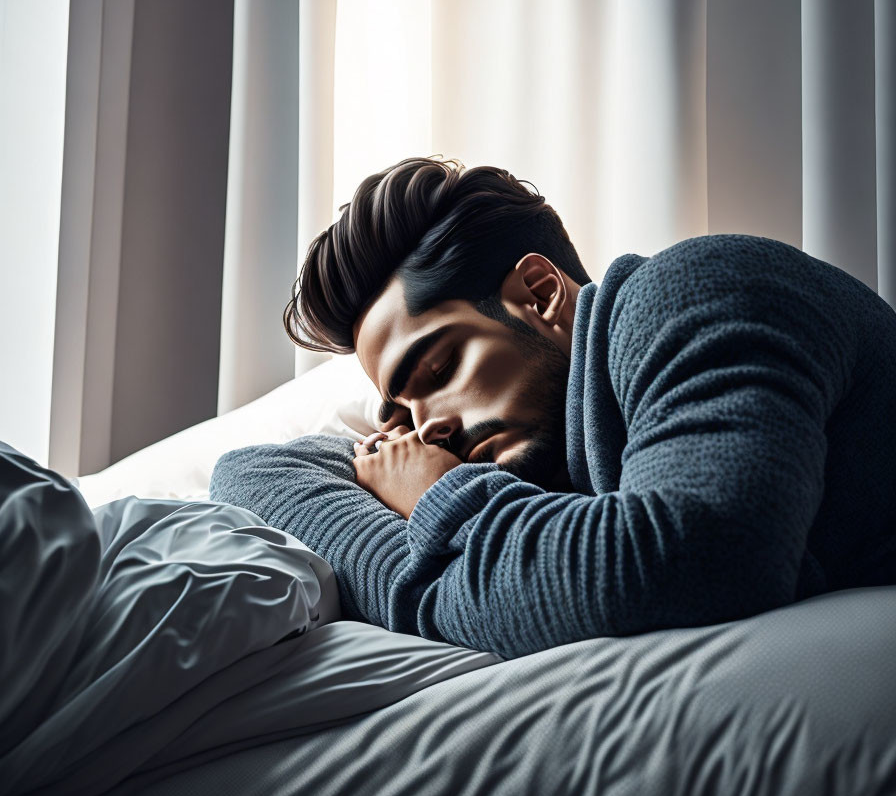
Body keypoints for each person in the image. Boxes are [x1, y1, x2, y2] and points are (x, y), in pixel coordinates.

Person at [209, 157, 896, 659]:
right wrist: (447, 560)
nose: (429, 427)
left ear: (539, 293)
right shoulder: (545, 463)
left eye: (440, 368)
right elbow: (253, 476)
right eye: (402, 410)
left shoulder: (690, 290)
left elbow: (700, 561)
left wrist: (442, 503)